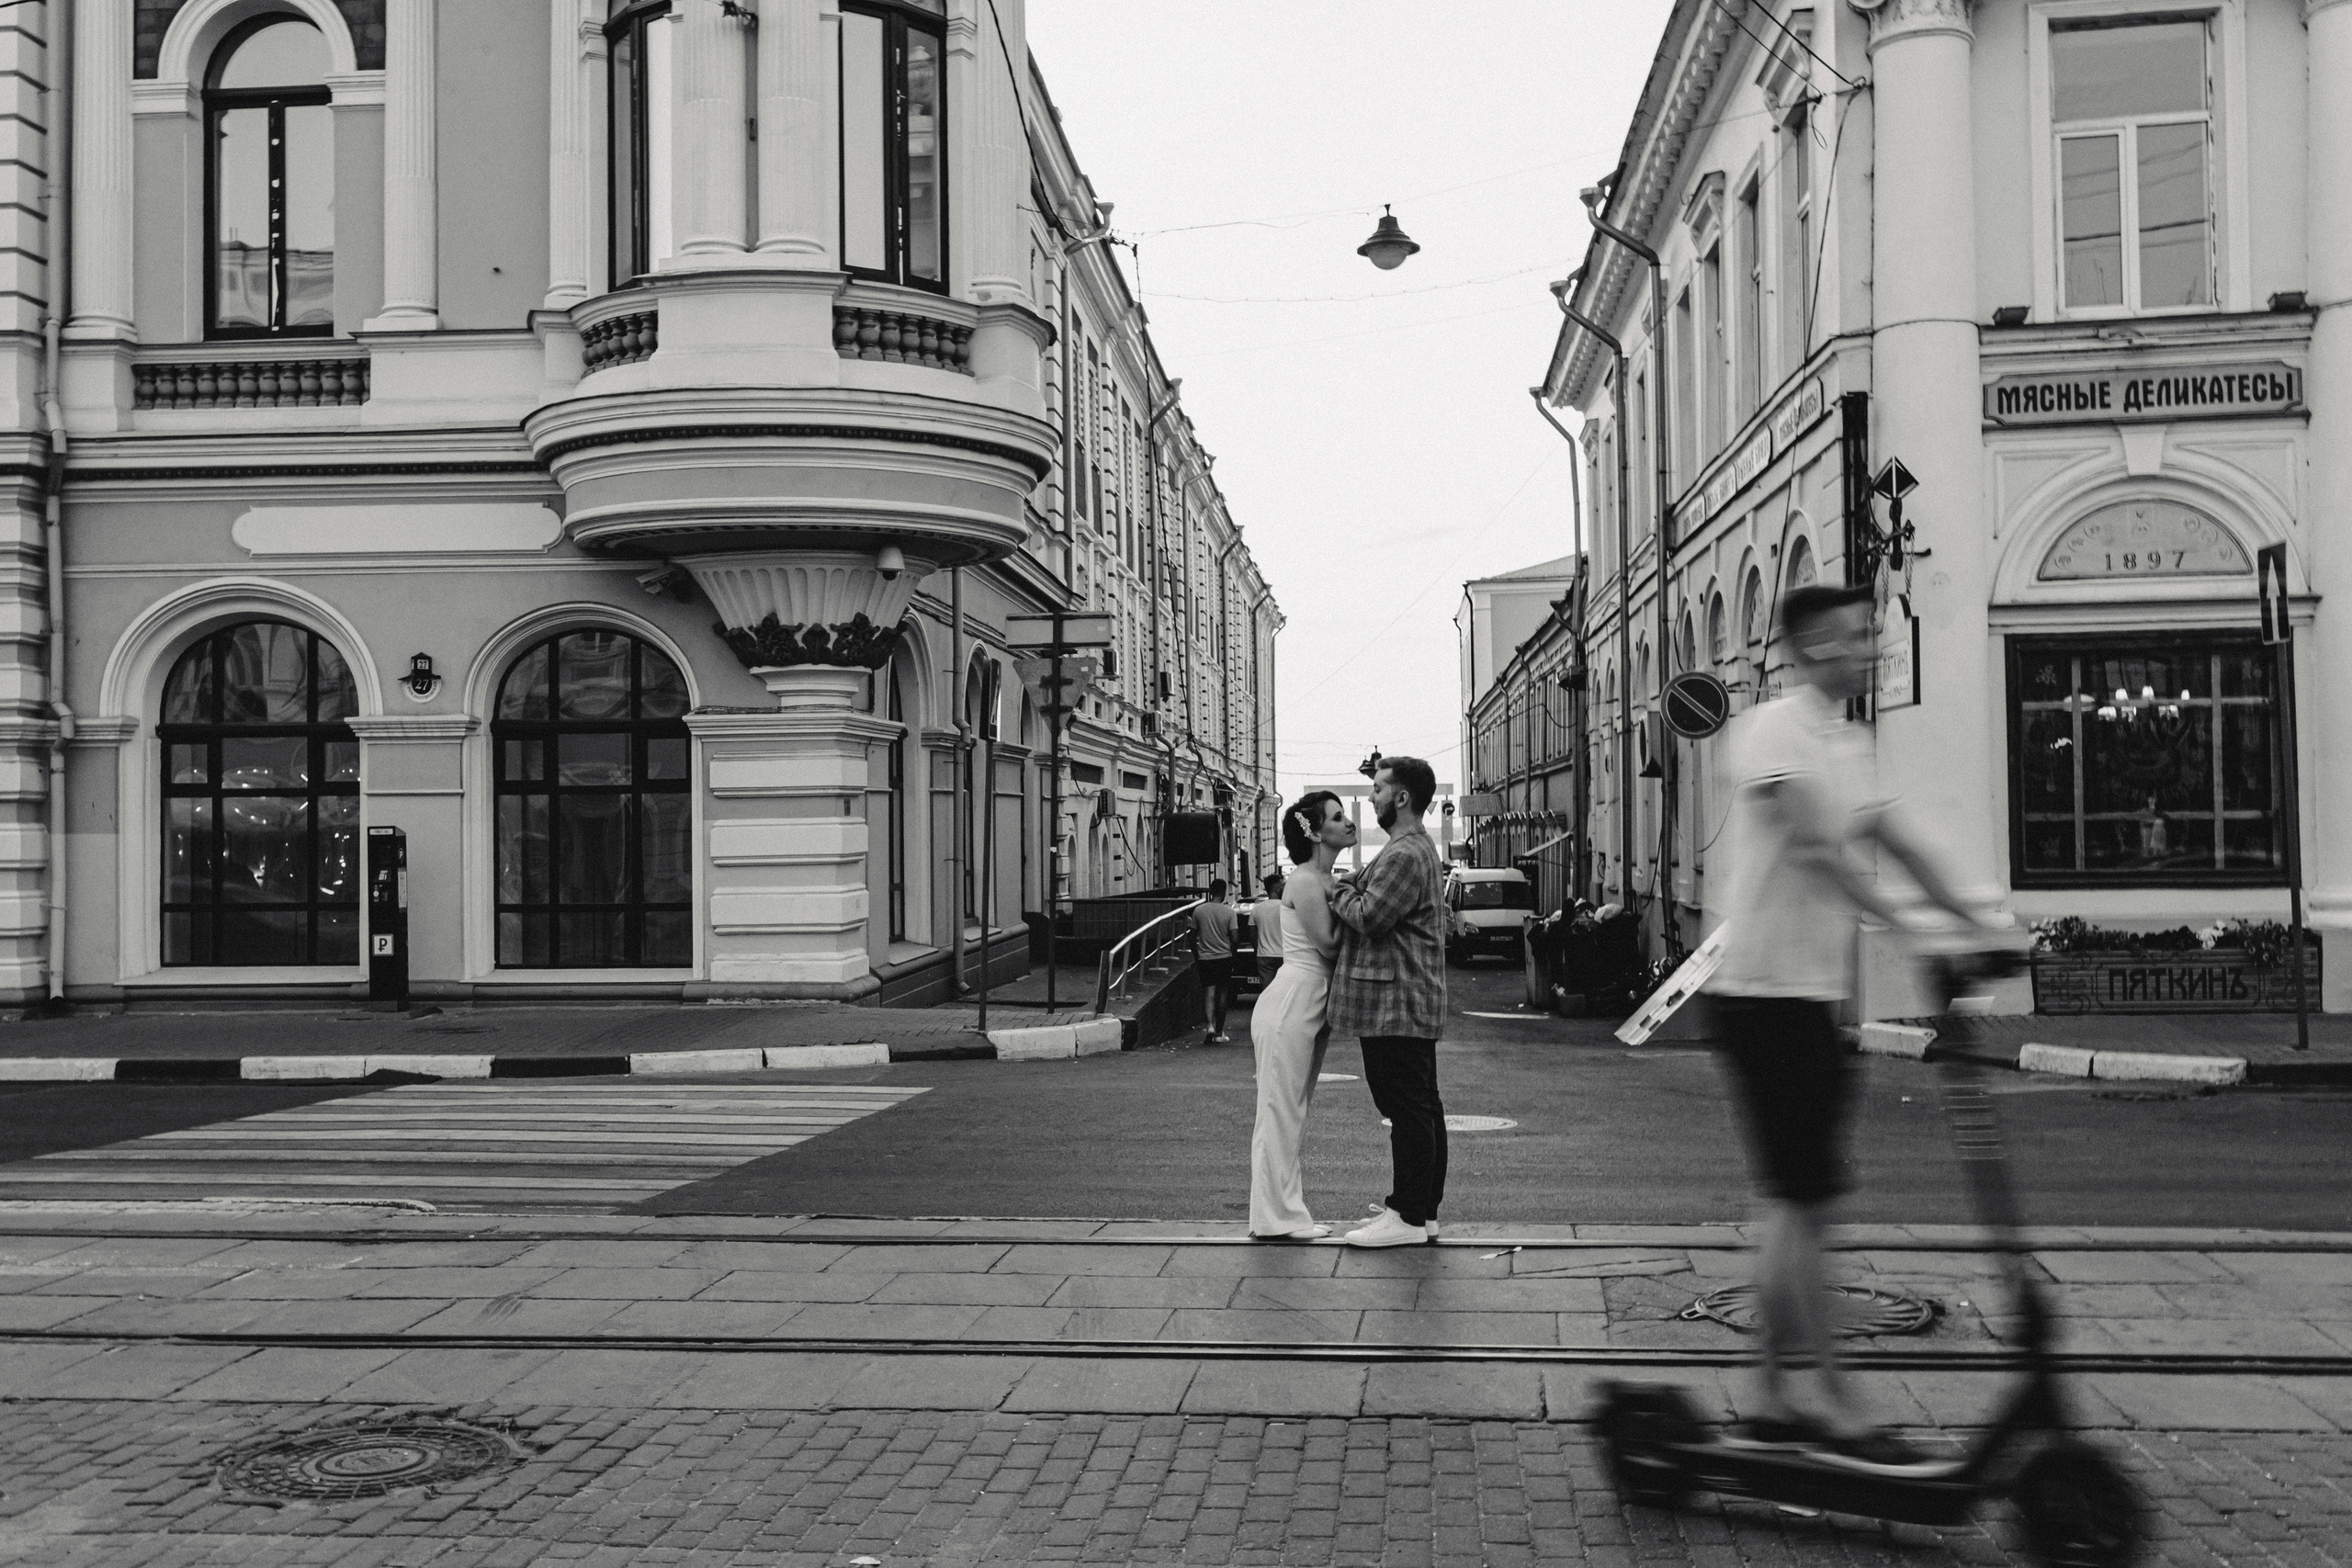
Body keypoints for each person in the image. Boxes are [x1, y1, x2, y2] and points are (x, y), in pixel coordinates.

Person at [1703, 583, 1996, 1469]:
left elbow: (1897, 839)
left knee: (1800, 1204)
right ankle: (1831, 1402)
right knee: (1803, 1200)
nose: (1873, 647)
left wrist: (1982, 924)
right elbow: (1816, 847)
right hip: (1760, 995)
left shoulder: (1847, 742)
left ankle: (1767, 1399)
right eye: (1858, 636)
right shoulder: (1773, 733)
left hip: (1809, 998)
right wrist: (1915, 931)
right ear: (1815, 648)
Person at [1327, 755, 1449, 1248]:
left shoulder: (1403, 853)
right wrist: (1354, 887)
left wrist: (1336, 889)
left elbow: (1370, 913)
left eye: (1378, 789)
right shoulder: (1411, 848)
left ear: (1400, 797)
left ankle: (1409, 1217)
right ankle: (1419, 1212)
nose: (1372, 797)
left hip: (1395, 1001)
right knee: (1420, 1106)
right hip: (1403, 999)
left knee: (1407, 1109)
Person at [1246, 795, 1355, 1240]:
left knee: (1289, 1111)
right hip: (1291, 1003)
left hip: (1308, 1003)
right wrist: (1356, 898)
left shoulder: (1324, 878)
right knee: (1280, 1112)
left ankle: (1281, 1215)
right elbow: (1329, 943)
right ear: (1314, 832)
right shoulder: (1309, 882)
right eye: (1337, 817)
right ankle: (1278, 1219)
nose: (1348, 823)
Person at [1190, 879, 1238, 1043]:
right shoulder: (1229, 912)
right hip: (1224, 957)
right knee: (1223, 993)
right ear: (1224, 891)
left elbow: (1191, 935)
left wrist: (1197, 954)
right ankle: (1219, 1033)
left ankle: (1209, 1025)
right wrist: (1233, 954)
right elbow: (1235, 937)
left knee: (1209, 992)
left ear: (1210, 891)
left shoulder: (1198, 911)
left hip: (1205, 958)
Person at [1252, 872, 1287, 988]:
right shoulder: (1286, 909)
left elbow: (1252, 935)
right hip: (1284, 955)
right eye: (1282, 885)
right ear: (1277, 889)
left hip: (1264, 955)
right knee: (1284, 990)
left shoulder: (1256, 910)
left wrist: (1258, 949)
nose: (1284, 887)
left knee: (1267, 991)